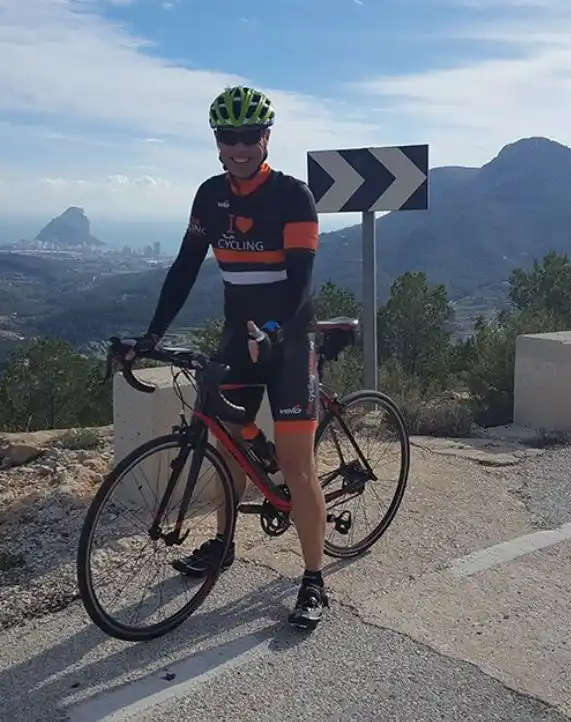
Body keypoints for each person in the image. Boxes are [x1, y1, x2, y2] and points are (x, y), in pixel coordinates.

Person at [123, 85, 328, 629]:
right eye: (228, 137)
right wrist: (150, 336)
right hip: (239, 336)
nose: (239, 147)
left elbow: (301, 284)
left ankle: (312, 578)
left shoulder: (293, 197)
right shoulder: (209, 196)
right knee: (229, 441)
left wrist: (280, 330)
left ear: (266, 138)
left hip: (288, 341)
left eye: (248, 137)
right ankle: (223, 544)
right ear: (217, 142)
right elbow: (185, 268)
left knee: (298, 466)